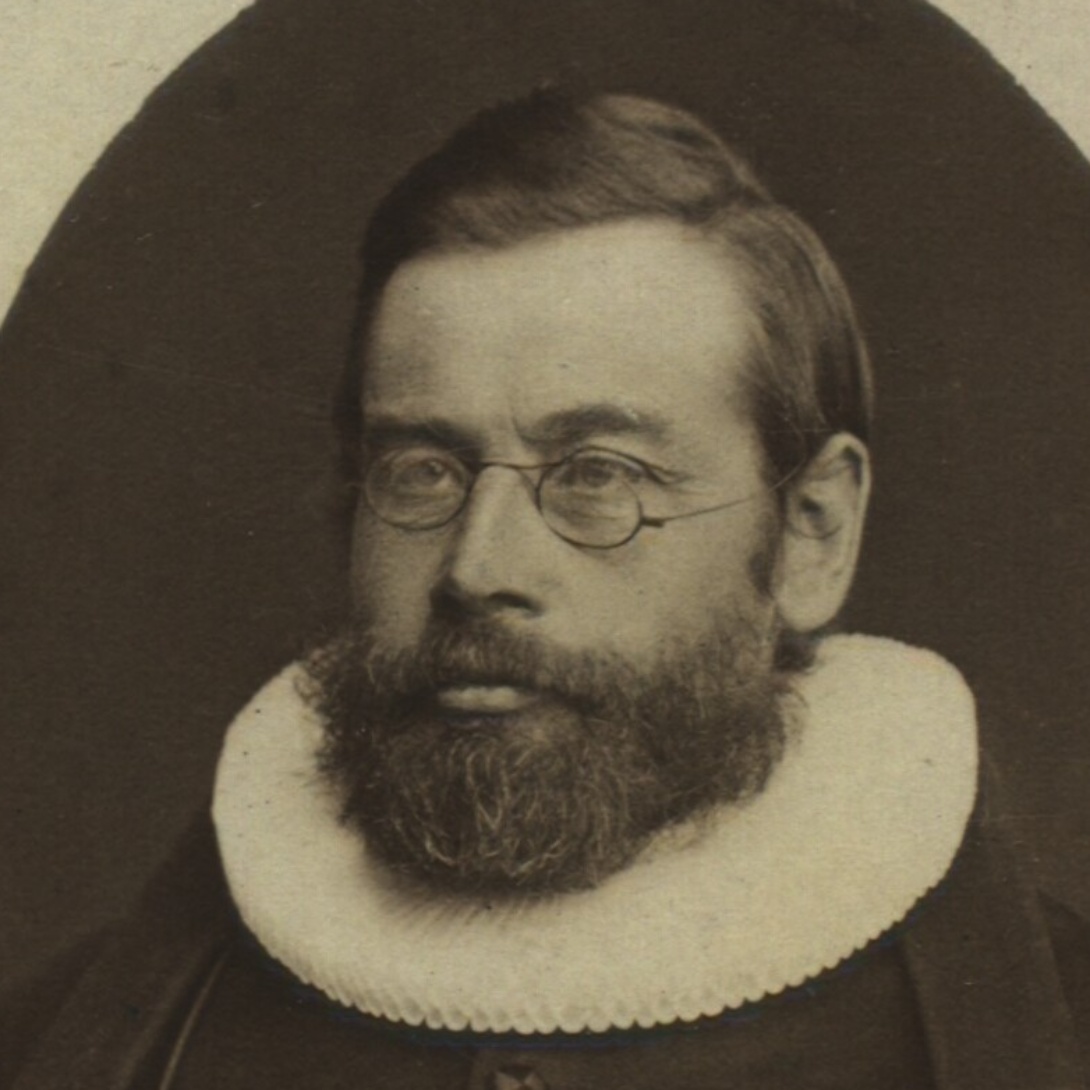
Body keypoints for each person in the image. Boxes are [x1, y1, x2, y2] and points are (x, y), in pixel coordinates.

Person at [3, 88, 1089, 1090]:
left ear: (812, 532)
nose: (479, 569)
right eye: (423, 471)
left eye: (598, 477)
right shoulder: (59, 1035)